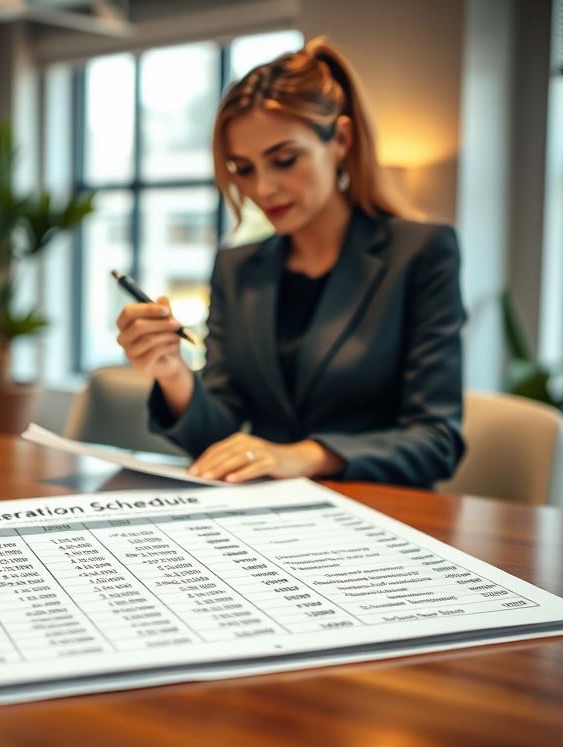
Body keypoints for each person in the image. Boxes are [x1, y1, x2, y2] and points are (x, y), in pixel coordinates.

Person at [115, 37, 466, 488]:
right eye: (243, 169)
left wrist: (304, 456)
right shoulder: (236, 267)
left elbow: (436, 441)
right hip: (266, 519)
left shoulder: (420, 252)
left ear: (340, 139)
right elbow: (217, 434)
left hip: (384, 515)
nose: (264, 189)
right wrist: (172, 373)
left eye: (284, 160)